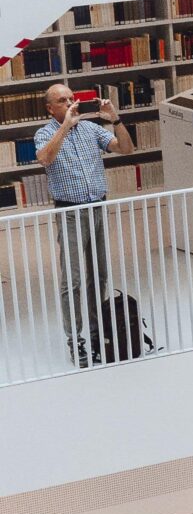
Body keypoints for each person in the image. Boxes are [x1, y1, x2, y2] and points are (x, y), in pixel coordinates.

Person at [33, 80, 129, 366]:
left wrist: (116, 119)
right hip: (70, 212)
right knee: (72, 280)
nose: (70, 103)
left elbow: (125, 149)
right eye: (62, 101)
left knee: (98, 275)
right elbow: (45, 158)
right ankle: (75, 338)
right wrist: (65, 127)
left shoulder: (90, 129)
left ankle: (99, 331)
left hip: (97, 208)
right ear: (51, 108)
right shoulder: (45, 133)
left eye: (71, 98)